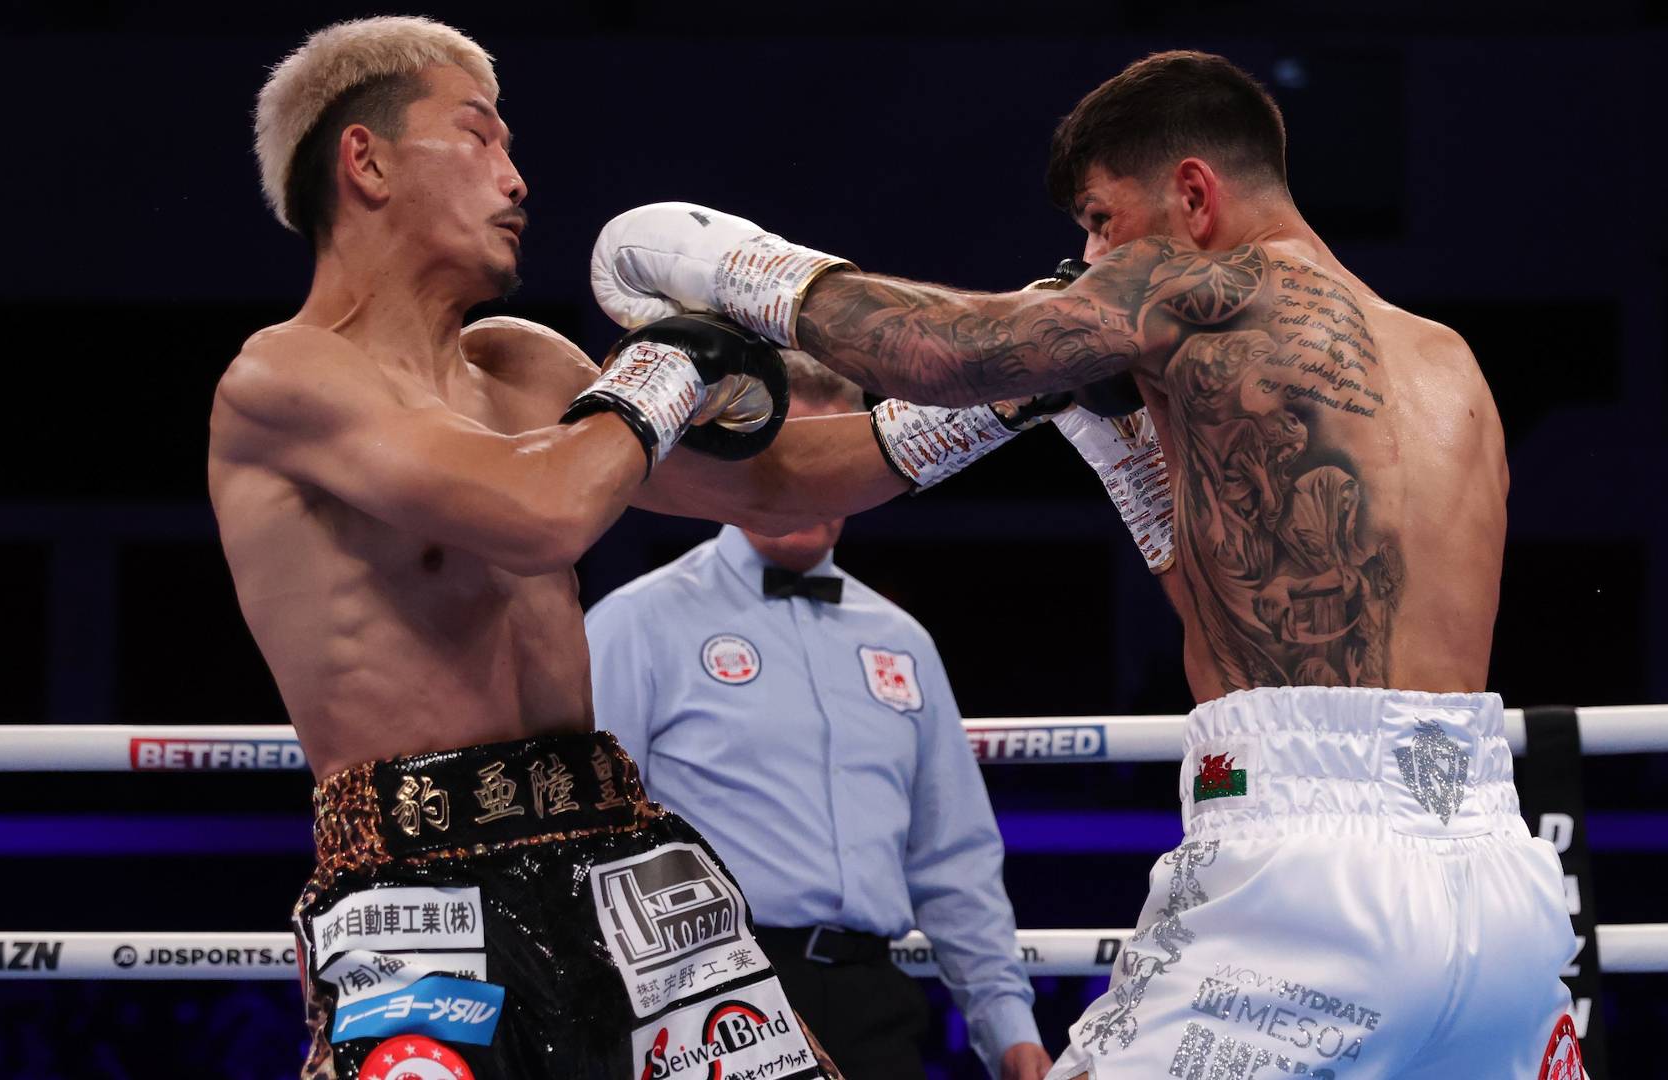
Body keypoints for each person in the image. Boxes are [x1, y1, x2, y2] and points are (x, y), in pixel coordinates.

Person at [589, 50, 1584, 1080]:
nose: (1092, 255)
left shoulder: (1200, 289)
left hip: (1308, 878)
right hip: (1497, 876)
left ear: (1193, 194)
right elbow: (1259, 619)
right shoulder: (1448, 361)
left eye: (1104, 221)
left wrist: (743, 269)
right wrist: (1128, 456)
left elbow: (953, 351)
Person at [213, 16, 1056, 1079]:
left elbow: (772, 481)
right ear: (365, 161)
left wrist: (1017, 388)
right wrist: (671, 364)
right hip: (421, 884)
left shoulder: (524, 365)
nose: (515, 178)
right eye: (478, 136)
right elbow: (540, 513)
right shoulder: (284, 379)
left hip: (622, 860)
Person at [586, 356, 1052, 1080]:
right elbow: (593, 846)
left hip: (876, 1003)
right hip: (711, 998)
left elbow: (953, 859)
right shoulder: (637, 624)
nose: (815, 484)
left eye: (837, 463)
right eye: (795, 460)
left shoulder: (901, 641)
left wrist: (1010, 1030)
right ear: (739, 461)